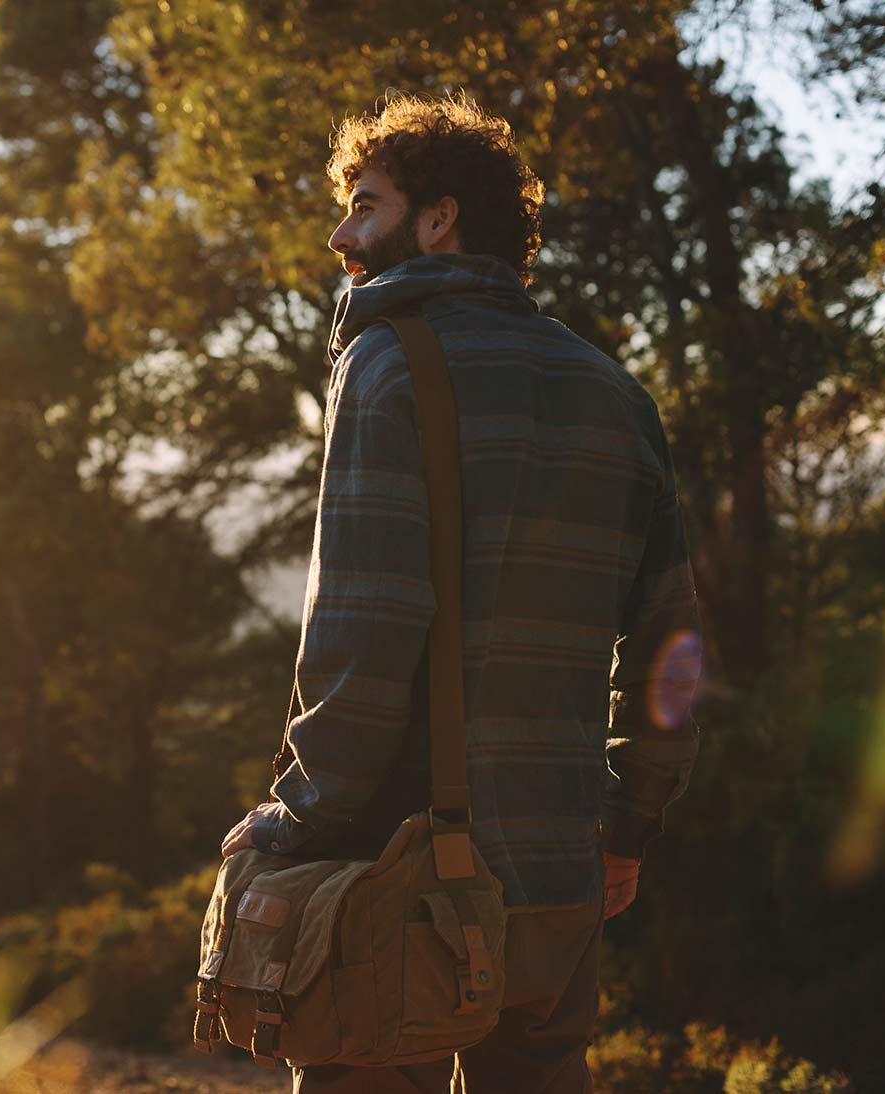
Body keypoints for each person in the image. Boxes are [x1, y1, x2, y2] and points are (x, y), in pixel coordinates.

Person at [218, 91, 704, 1093]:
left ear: (438, 219)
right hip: (561, 873)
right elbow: (669, 646)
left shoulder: (388, 361)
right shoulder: (618, 392)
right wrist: (629, 826)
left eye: (364, 203)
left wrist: (295, 818)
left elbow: (364, 628)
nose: (338, 231)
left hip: (403, 884)